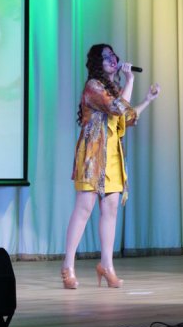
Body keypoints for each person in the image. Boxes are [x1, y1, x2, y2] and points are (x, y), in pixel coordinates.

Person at [61, 43, 160, 290]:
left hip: (113, 155)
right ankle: (68, 265)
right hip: (93, 155)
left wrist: (147, 100)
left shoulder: (112, 89)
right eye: (106, 57)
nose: (112, 59)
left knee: (111, 209)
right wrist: (130, 81)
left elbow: (127, 117)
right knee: (84, 208)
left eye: (113, 55)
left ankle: (107, 265)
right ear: (98, 63)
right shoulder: (94, 87)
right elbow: (118, 108)